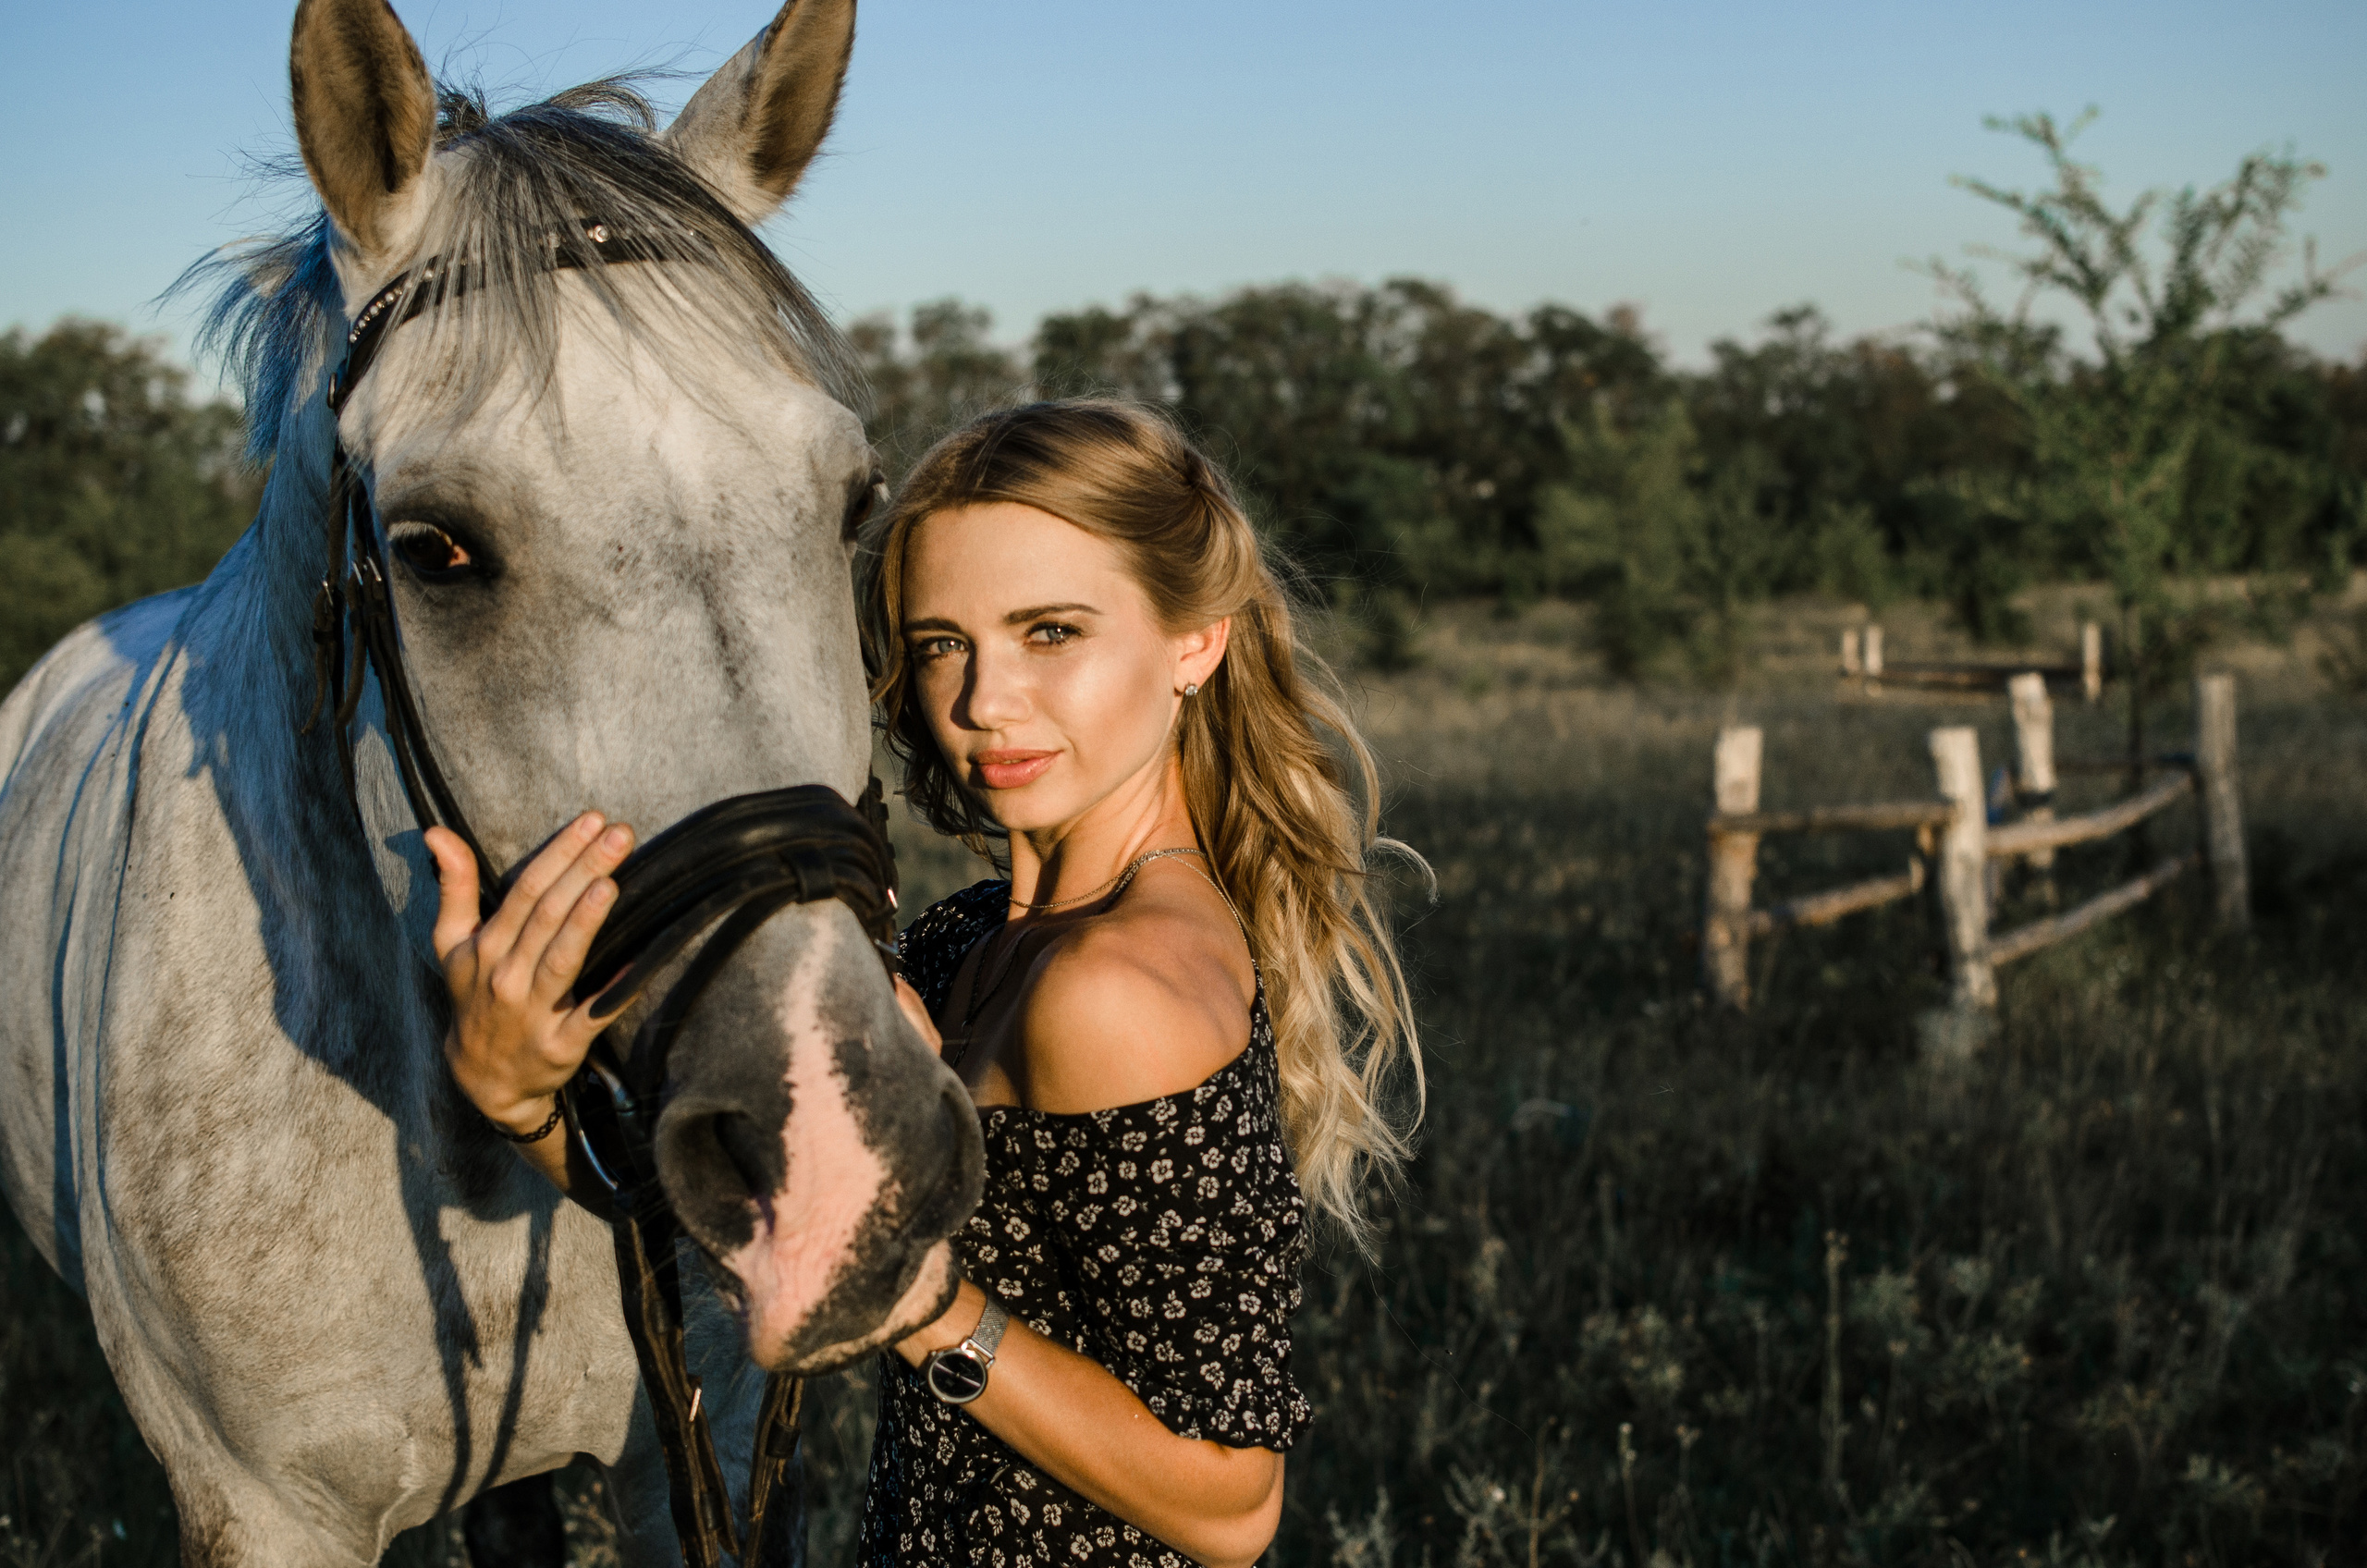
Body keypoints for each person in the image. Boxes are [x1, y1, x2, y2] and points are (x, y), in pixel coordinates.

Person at [432, 398, 1423, 1568]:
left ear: (1194, 643)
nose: (982, 702)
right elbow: (771, 1235)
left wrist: (923, 1307)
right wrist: (523, 1097)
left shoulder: (1111, 991)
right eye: (944, 642)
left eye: (1049, 632)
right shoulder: (976, 937)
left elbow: (1229, 1502)